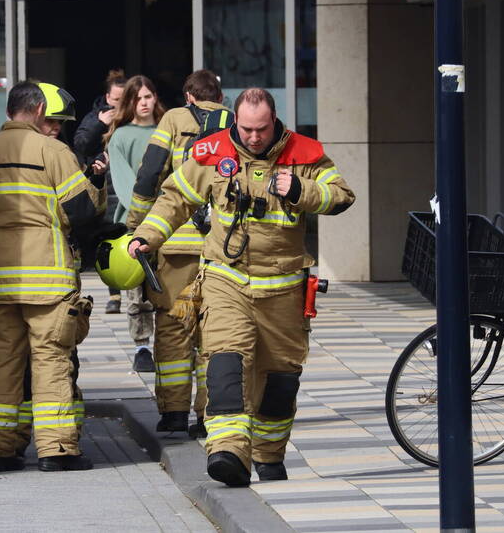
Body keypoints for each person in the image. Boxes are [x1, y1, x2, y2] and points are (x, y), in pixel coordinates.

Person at [129, 88, 355, 486]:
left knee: (280, 378)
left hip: (284, 290)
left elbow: (341, 196)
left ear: (274, 121)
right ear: (236, 121)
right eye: (246, 129)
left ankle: (269, 455)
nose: (253, 137)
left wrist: (302, 191)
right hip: (226, 280)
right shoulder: (211, 152)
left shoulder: (304, 152)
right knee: (225, 364)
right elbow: (175, 198)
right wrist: (147, 236)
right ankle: (228, 452)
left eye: (262, 129)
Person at [0, 81, 105, 473]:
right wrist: (96, 185)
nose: (55, 126)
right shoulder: (54, 152)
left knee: (2, 363)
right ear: (38, 111)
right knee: (51, 362)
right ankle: (56, 450)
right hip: (49, 282)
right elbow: (82, 212)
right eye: (51, 118)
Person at [126, 69, 230, 435]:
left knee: (172, 329)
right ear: (219, 97)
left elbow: (149, 173)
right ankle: (207, 415)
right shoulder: (234, 125)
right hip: (221, 248)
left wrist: (138, 223)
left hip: (176, 246)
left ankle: (172, 413)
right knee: (212, 333)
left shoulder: (173, 119)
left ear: (189, 96)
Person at [105, 75, 165, 372]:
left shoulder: (168, 131)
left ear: (156, 98)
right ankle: (142, 344)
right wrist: (147, 213)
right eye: (138, 98)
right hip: (135, 221)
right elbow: (124, 181)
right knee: (137, 286)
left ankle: (171, 342)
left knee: (168, 284)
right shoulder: (121, 136)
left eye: (148, 96)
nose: (144, 102)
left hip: (170, 221)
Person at [75, 69, 128, 314]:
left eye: (124, 99)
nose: (119, 105)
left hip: (130, 184)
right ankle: (114, 294)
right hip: (105, 184)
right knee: (108, 239)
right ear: (107, 97)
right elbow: (82, 143)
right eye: (115, 100)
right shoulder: (96, 116)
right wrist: (100, 124)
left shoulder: (137, 117)